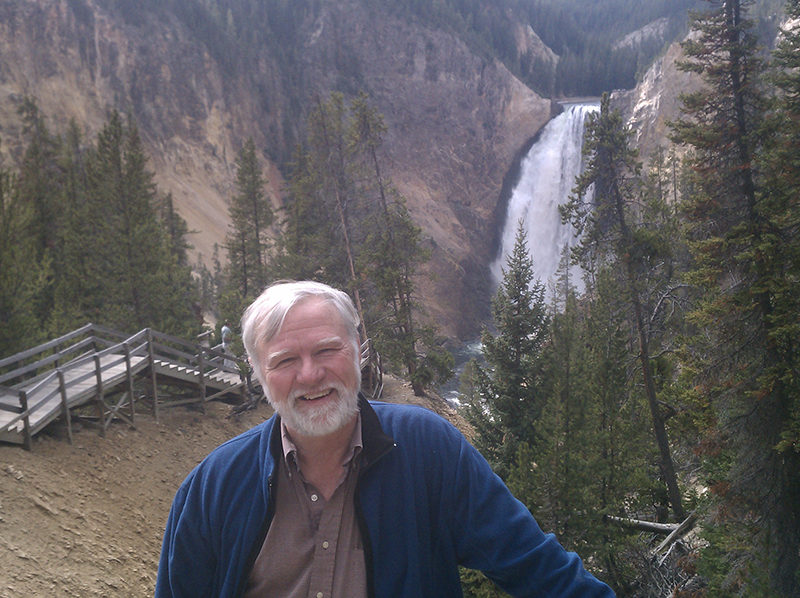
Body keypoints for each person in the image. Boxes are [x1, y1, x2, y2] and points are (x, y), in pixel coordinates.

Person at [155, 280, 615, 597]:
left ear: (358, 352)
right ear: (259, 376)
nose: (310, 374)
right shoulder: (212, 488)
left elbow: (535, 566)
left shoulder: (428, 451)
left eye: (327, 350)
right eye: (284, 361)